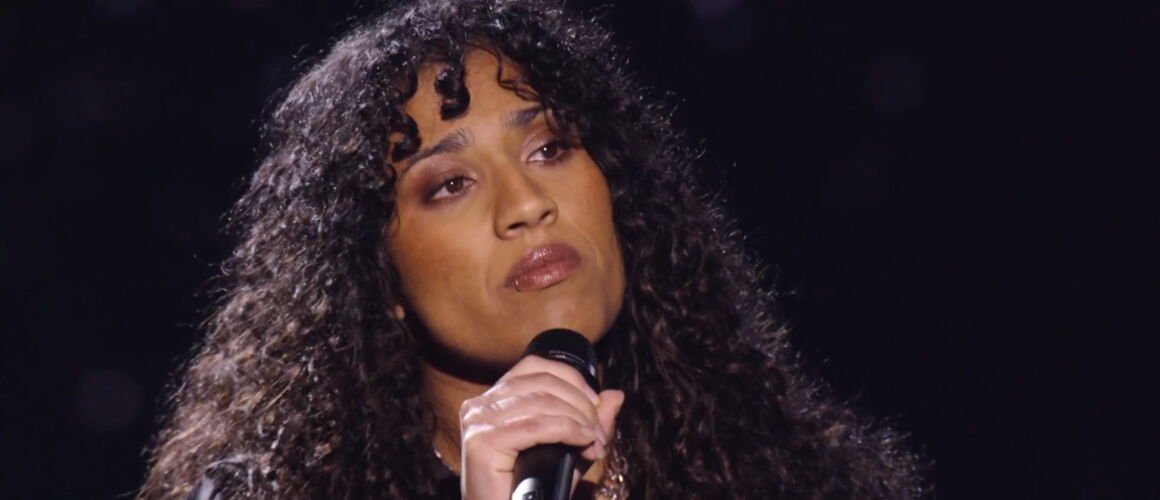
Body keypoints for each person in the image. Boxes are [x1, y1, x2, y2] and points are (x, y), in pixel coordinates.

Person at [139, 0, 927, 498]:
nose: (526, 206)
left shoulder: (793, 477)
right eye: (450, 184)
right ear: (375, 275)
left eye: (550, 148)